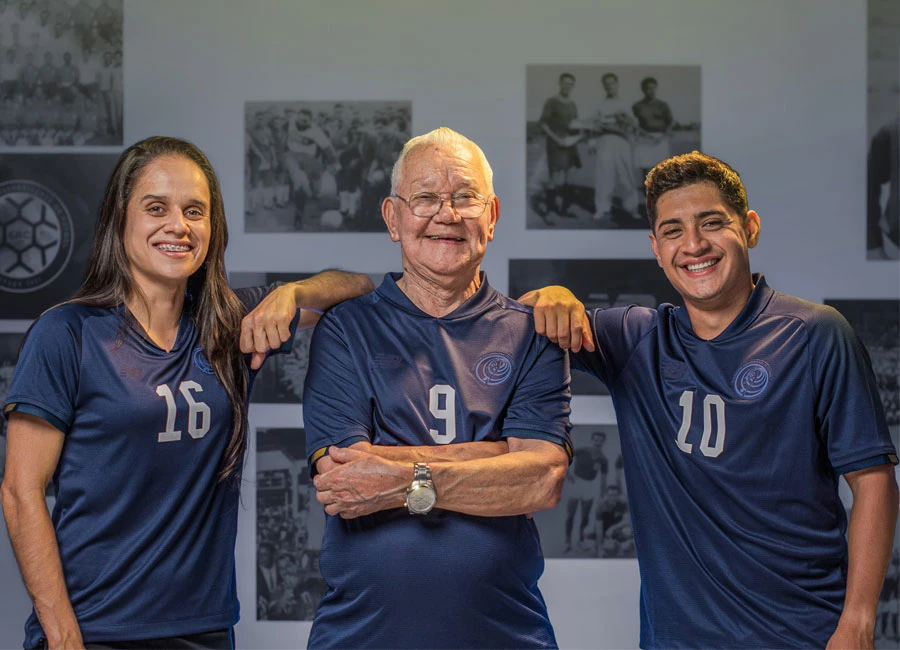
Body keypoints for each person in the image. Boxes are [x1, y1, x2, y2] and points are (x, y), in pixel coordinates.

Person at [1, 136, 373, 650]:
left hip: (204, 630)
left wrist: (293, 292)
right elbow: (21, 492)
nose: (178, 225)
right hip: (94, 629)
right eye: (156, 208)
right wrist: (63, 635)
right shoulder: (67, 333)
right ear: (119, 218)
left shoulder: (231, 324)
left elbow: (357, 286)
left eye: (194, 211)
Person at [520, 151, 900, 649]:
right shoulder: (633, 340)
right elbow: (518, 324)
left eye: (712, 223)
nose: (694, 244)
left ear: (750, 228)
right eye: (673, 231)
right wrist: (550, 293)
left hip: (803, 634)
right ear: (657, 249)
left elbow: (874, 482)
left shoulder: (815, 333)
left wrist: (858, 622)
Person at [302, 127, 572, 649]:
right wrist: (499, 455)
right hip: (361, 635)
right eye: (425, 198)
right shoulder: (344, 329)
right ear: (393, 219)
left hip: (505, 634)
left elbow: (541, 480)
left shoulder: (534, 332)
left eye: (465, 197)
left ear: (491, 217)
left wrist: (402, 475)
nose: (446, 214)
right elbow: (345, 479)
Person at [591, 72, 640, 223]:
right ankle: (602, 208)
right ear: (603, 86)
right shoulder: (599, 104)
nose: (609, 86)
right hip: (605, 141)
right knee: (604, 175)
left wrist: (623, 118)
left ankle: (632, 208)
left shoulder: (625, 103)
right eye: (606, 84)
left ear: (617, 84)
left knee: (627, 176)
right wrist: (601, 130)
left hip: (622, 142)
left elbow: (634, 123)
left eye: (612, 83)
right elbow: (595, 125)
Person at [537, 72, 583, 218]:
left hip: (570, 144)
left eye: (570, 84)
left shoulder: (572, 104)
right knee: (555, 177)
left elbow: (575, 124)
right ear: (560, 84)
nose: (567, 86)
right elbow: (543, 124)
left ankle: (564, 209)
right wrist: (556, 139)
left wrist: (579, 134)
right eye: (565, 83)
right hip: (555, 144)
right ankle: (550, 210)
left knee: (569, 178)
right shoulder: (551, 102)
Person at [563, 429, 608, 554]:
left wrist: (602, 496)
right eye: (596, 440)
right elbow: (564, 457)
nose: (598, 442)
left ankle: (581, 540)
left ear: (603, 442)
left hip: (589, 486)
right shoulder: (581, 450)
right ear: (592, 440)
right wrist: (568, 474)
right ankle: (567, 542)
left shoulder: (603, 459)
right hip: (576, 484)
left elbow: (604, 479)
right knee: (570, 515)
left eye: (600, 441)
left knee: (585, 516)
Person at [631, 77, 673, 181]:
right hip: (644, 138)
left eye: (653, 88)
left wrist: (663, 137)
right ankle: (645, 186)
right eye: (648, 88)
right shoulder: (637, 106)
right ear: (643, 90)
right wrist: (642, 134)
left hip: (660, 138)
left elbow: (670, 123)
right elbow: (634, 123)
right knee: (645, 165)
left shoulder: (663, 105)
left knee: (662, 167)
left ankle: (660, 187)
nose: (651, 91)